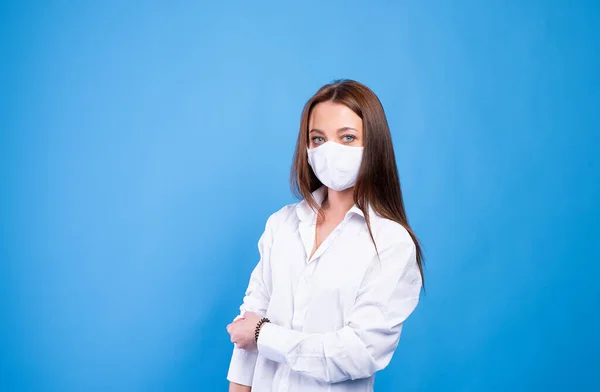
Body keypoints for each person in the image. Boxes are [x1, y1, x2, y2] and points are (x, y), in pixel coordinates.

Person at [226, 79, 424, 392]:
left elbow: (357, 353)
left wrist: (264, 335)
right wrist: (254, 336)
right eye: (318, 139)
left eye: (347, 137)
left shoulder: (391, 244)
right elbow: (245, 333)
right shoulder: (281, 225)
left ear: (373, 143)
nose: (330, 151)